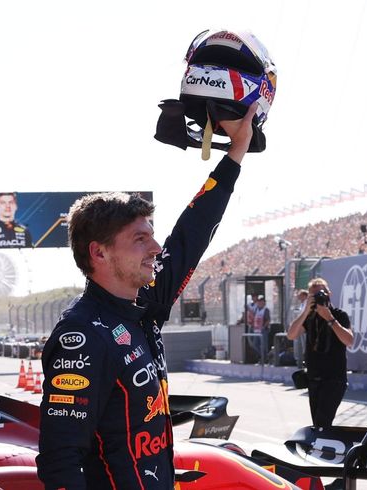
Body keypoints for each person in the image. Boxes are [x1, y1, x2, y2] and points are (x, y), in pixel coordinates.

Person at [36, 103, 257, 490]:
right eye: (140, 239)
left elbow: (191, 232)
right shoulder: (82, 336)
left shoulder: (145, 306)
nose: (156, 247)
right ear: (99, 252)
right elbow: (60, 462)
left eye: (152, 235)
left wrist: (236, 151)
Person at [286, 278, 353, 427]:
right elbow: (291, 335)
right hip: (314, 378)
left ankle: (324, 448)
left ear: (329, 293)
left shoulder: (339, 315)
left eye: (321, 293)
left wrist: (329, 318)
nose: (319, 297)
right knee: (318, 424)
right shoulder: (309, 318)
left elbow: (349, 340)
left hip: (334, 379)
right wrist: (306, 311)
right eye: (314, 295)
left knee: (322, 423)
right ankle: (323, 449)